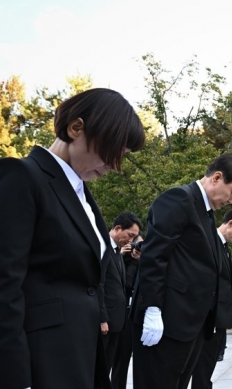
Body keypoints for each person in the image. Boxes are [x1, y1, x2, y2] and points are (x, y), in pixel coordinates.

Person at [0, 88, 145, 389]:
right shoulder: (22, 177)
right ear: (76, 128)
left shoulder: (81, 195)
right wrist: (14, 376)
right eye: (112, 150)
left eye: (123, 156)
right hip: (41, 360)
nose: (115, 165)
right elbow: (4, 283)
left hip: (81, 356)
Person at [131, 154, 232, 389]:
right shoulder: (179, 199)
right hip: (167, 320)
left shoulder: (205, 213)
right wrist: (152, 307)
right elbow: (155, 256)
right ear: (217, 178)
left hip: (189, 325)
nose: (231, 201)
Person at [186, 207, 232, 389]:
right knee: (202, 368)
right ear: (231, 223)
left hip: (217, 319)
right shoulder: (208, 242)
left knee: (207, 367)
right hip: (208, 319)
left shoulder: (222, 246)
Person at [99, 212, 142, 372]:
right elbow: (99, 284)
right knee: (99, 370)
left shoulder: (117, 252)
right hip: (105, 322)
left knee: (107, 368)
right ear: (117, 228)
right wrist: (102, 318)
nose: (131, 241)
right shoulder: (103, 248)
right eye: (130, 235)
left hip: (117, 322)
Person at [110, 233, 143, 389]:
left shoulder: (144, 263)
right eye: (135, 243)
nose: (137, 247)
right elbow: (123, 283)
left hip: (142, 316)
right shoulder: (121, 259)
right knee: (120, 360)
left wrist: (142, 260)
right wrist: (120, 255)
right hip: (124, 314)